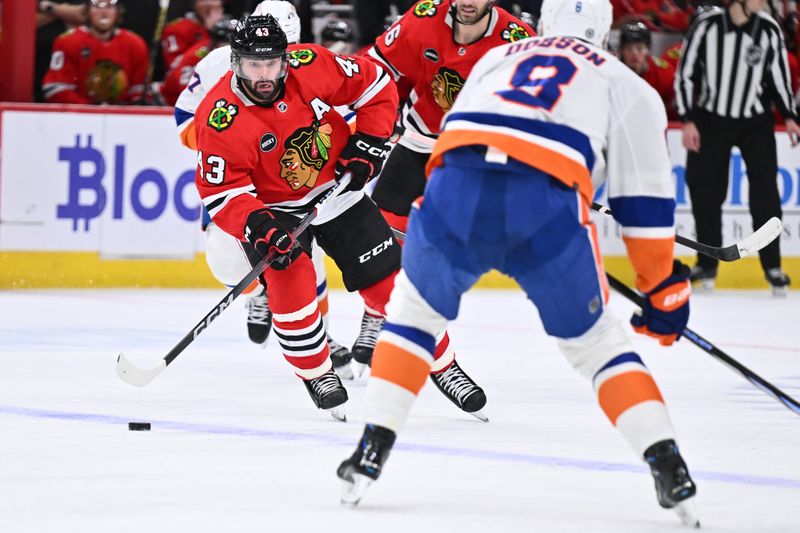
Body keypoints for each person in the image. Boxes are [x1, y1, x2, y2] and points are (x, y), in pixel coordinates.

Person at [337, 0, 700, 526]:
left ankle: (370, 451)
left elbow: (451, 143)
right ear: (604, 34)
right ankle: (668, 464)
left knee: (412, 321)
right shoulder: (628, 84)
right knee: (598, 346)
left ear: (545, 25)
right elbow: (644, 204)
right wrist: (662, 289)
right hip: (543, 209)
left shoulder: (498, 57)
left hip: (455, 191)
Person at [193, 14, 400, 419]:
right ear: (235, 61)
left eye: (273, 61)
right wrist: (257, 224)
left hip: (330, 192)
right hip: (263, 200)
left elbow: (374, 85)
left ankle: (326, 345)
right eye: (255, 63)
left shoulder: (309, 65)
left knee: (367, 273)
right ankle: (281, 327)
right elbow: (219, 186)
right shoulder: (217, 113)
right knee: (264, 273)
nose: (265, 72)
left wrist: (369, 142)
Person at [359, 0, 535, 412]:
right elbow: (374, 69)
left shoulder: (515, 42)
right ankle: (373, 314)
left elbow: (535, 110)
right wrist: (369, 119)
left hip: (470, 159)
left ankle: (440, 360)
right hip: (418, 143)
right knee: (378, 242)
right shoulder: (423, 19)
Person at [174, 1, 357, 379]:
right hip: (239, 179)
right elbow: (184, 116)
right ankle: (258, 295)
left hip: (292, 180)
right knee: (222, 256)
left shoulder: (305, 65)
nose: (269, 68)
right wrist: (230, 144)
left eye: (283, 51)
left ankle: (318, 335)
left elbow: (342, 114)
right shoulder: (216, 63)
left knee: (308, 257)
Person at [674, 0, 799, 296]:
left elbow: (779, 77)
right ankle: (706, 263)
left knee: (766, 192)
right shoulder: (707, 27)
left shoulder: (768, 29)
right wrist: (688, 120)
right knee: (704, 190)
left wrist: (791, 116)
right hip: (711, 118)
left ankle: (773, 266)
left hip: (754, 121)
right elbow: (685, 74)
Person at [42, 0, 149, 104]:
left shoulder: (135, 44)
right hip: (78, 118)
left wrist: (135, 104)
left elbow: (138, 90)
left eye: (109, 6)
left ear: (118, 11)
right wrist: (89, 108)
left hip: (121, 119)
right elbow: (55, 89)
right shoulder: (67, 42)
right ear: (87, 10)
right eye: (97, 6)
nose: (104, 13)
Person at [160, 16, 237, 106]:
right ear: (214, 42)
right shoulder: (198, 55)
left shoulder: (245, 56)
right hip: (172, 103)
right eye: (226, 43)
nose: (230, 49)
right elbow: (187, 91)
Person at [618, 21, 677, 119]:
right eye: (628, 48)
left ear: (648, 50)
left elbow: (672, 110)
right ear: (621, 51)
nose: (634, 53)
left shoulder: (663, 73)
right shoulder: (612, 71)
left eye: (639, 48)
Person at [161, 0, 225, 70]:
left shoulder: (233, 26)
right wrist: (211, 36)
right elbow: (176, 70)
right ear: (194, 3)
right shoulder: (177, 28)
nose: (210, 3)